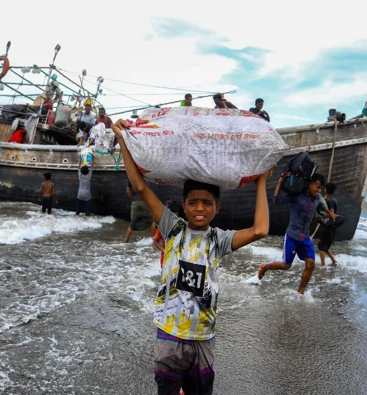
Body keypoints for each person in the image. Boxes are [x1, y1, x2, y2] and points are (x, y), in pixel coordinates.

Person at [112, 118, 272, 394]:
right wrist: (123, 139)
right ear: (184, 207)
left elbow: (260, 230)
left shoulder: (218, 240)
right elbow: (140, 187)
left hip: (203, 337)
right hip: (170, 334)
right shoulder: (172, 228)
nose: (200, 208)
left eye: (207, 203)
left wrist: (261, 182)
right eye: (193, 202)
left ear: (217, 208)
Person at [258, 172, 337, 294]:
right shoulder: (297, 196)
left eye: (321, 188)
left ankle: (300, 293)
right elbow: (276, 199)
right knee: (286, 266)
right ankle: (265, 267)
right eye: (317, 187)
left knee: (311, 264)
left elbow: (320, 205)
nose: (319, 190)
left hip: (305, 237)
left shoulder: (316, 198)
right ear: (310, 184)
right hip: (292, 236)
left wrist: (329, 213)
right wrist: (279, 182)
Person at [152, 200, 185, 267]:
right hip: (166, 261)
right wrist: (165, 251)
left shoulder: (184, 226)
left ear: (177, 214)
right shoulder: (163, 226)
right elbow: (155, 241)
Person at [316, 182, 339, 266]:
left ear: (326, 190)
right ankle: (335, 262)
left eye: (324, 188)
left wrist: (320, 217)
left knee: (321, 246)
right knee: (325, 245)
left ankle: (323, 266)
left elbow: (331, 214)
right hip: (331, 226)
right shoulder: (330, 199)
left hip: (331, 226)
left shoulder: (331, 201)